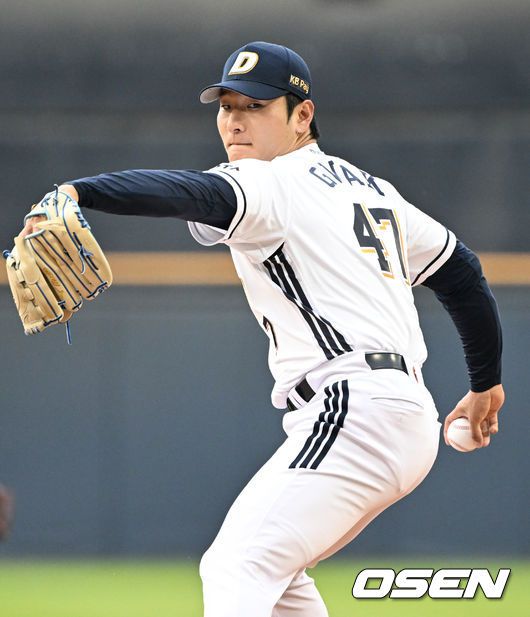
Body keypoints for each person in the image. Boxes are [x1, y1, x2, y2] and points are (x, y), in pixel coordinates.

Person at [22, 41, 504, 617]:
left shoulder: (269, 181)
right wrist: (486, 383)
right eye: (226, 106)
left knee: (237, 566)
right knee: (279, 582)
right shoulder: (372, 189)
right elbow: (462, 272)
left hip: (356, 410)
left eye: (255, 106)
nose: (234, 120)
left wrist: (81, 190)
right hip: (393, 412)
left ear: (303, 116)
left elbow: (191, 192)